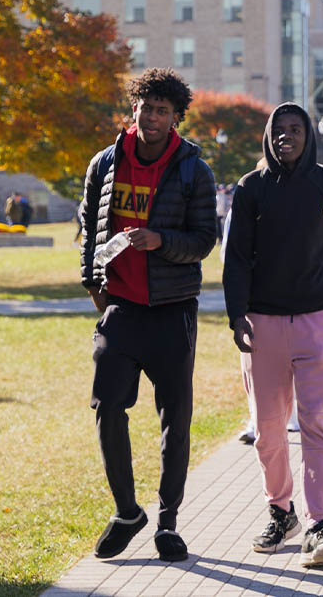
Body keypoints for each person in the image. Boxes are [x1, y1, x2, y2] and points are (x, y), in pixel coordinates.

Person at [78, 67, 217, 563]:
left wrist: (162, 242)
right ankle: (126, 511)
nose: (153, 116)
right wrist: (92, 280)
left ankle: (167, 523)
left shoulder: (192, 170)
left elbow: (205, 239)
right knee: (106, 405)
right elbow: (90, 224)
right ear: (133, 107)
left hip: (172, 311)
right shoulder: (106, 162)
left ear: (175, 117)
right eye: (146, 106)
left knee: (174, 420)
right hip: (122, 309)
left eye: (163, 110)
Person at [223, 102, 323, 568]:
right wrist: (236, 315)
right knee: (268, 430)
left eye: (296, 129)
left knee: (317, 424)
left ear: (308, 135)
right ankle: (280, 510)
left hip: (316, 321)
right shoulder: (251, 188)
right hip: (261, 324)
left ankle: (320, 523)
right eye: (280, 130)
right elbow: (235, 259)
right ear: (270, 135)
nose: (287, 136)